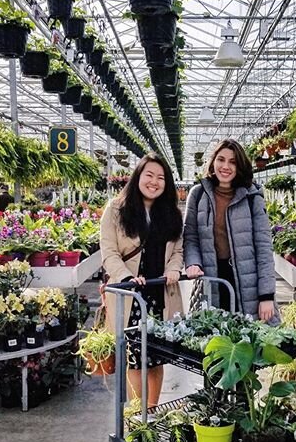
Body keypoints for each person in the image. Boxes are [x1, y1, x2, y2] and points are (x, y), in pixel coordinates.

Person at [100, 153, 184, 406]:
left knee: (156, 356)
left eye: (161, 178)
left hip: (160, 293)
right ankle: (138, 414)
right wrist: (126, 276)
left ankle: (152, 410)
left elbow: (177, 251)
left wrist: (173, 270)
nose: (154, 182)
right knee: (135, 356)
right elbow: (109, 252)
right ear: (138, 176)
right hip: (131, 296)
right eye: (149, 175)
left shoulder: (172, 214)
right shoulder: (116, 210)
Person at [183, 137, 276, 321]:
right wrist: (193, 263)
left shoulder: (251, 197)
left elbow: (264, 247)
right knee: (213, 337)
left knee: (251, 338)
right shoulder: (198, 194)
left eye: (233, 162)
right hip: (211, 277)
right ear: (213, 161)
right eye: (221, 159)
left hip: (247, 280)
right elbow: (190, 236)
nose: (226, 166)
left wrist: (266, 295)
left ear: (239, 166)